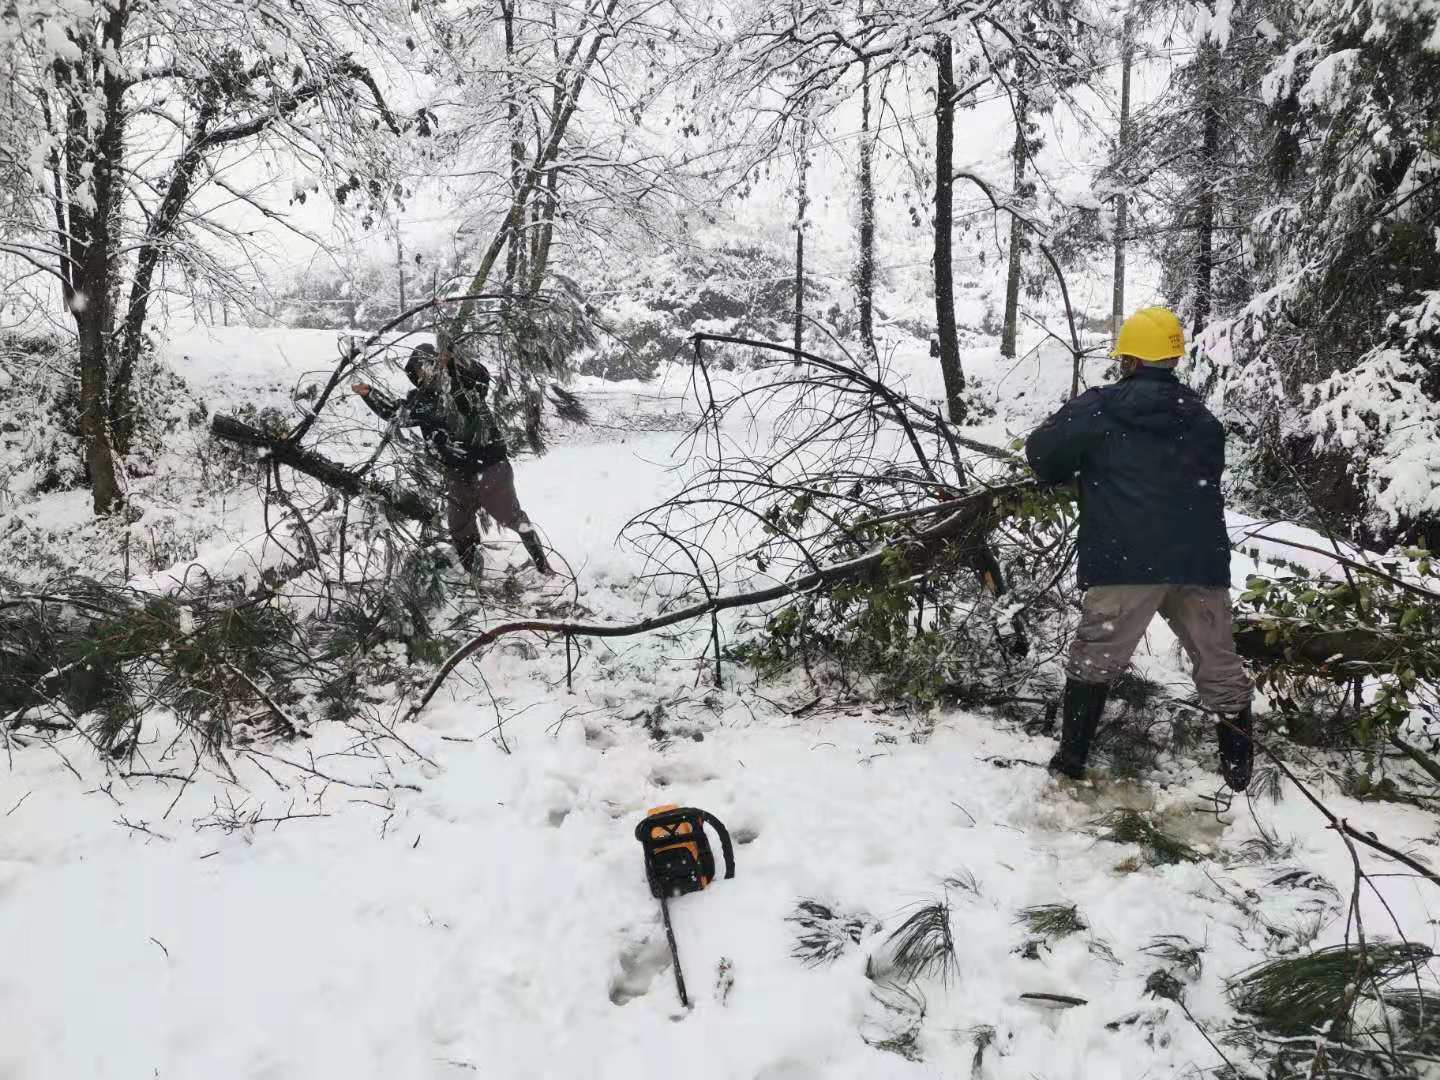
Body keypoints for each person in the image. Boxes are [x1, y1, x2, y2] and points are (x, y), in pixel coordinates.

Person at [1024, 307, 1254, 790]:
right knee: (1218, 663)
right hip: (1199, 559)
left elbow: (1043, 453)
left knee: (1095, 659)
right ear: (1172, 358)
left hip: (1125, 558)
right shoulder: (1202, 417)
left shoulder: (1101, 407)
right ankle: (1239, 772)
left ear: (1128, 357)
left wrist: (1075, 472)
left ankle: (1071, 763)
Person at [352, 343, 552, 576]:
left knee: (511, 517)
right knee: (460, 526)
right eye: (418, 368)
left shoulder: (464, 385)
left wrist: (454, 363)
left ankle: (542, 566)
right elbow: (399, 415)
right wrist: (370, 394)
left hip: (489, 467)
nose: (424, 371)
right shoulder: (422, 399)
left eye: (429, 365)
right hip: (457, 473)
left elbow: (481, 377)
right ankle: (473, 576)